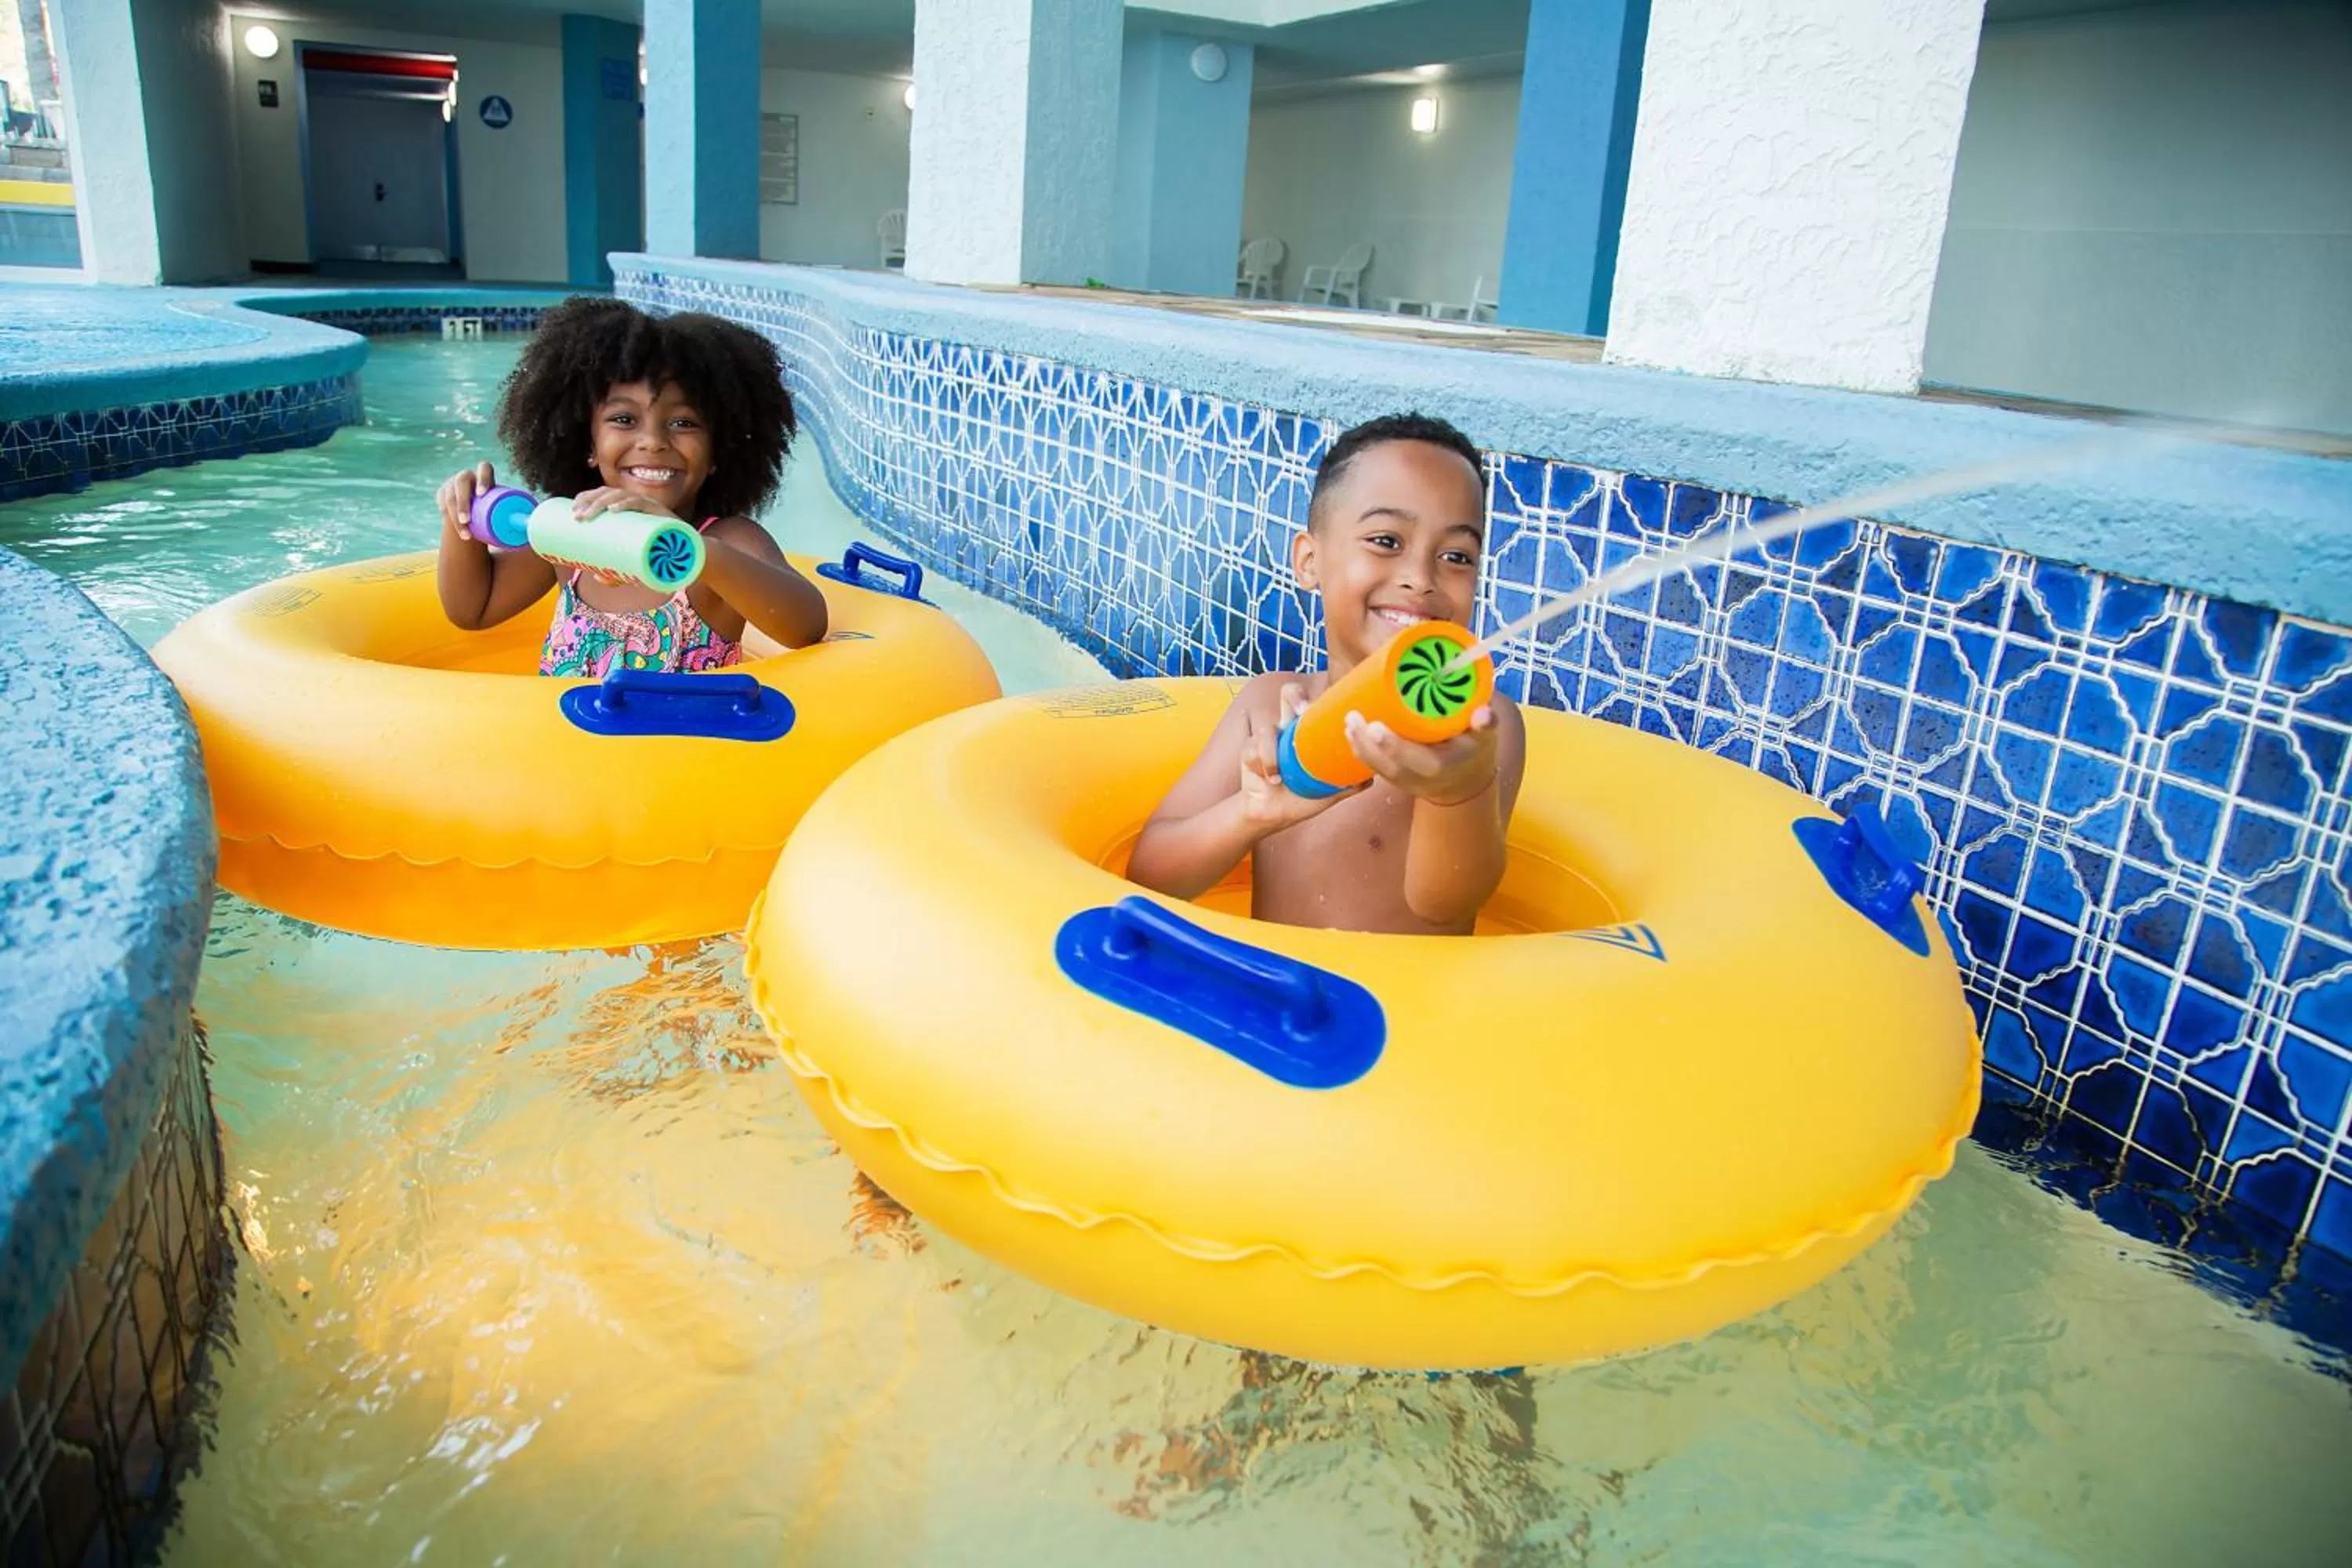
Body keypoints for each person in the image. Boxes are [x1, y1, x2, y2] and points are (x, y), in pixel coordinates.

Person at [1127, 413, 1525, 935]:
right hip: (1281, 1002)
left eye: (1456, 555)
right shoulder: (1267, 706)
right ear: (1310, 562)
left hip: (1406, 1011)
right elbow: (1151, 874)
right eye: (1386, 541)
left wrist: (1457, 793)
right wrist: (1252, 814)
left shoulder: (1480, 727)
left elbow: (1443, 904)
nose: (1420, 579)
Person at [434, 297, 829, 675]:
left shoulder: (727, 540)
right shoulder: (571, 534)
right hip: (566, 743)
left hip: (684, 745)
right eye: (624, 419)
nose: (653, 441)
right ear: (587, 444)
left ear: (717, 453)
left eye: (683, 422)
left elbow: (804, 627)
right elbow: (475, 610)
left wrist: (690, 549)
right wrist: (462, 518)